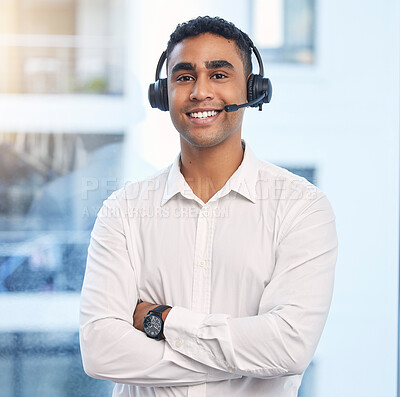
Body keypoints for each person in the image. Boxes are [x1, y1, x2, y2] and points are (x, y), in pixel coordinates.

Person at [79, 16, 338, 397]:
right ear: (162, 93)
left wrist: (161, 320)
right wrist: (241, 362)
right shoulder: (123, 211)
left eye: (219, 75)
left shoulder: (302, 208)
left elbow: (290, 347)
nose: (200, 91)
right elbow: (101, 351)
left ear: (253, 89)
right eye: (184, 77)